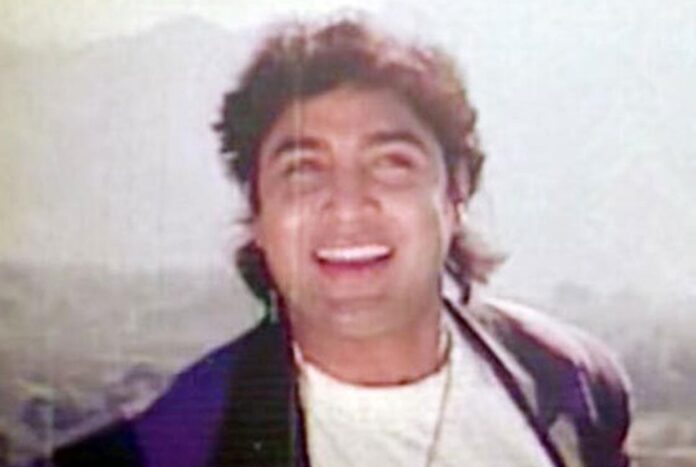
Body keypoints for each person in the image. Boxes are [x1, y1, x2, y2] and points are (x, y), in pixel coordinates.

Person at [41, 17, 631, 467]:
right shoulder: (167, 449)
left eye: (391, 163)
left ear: (456, 194)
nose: (347, 205)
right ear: (258, 213)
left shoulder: (571, 382)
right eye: (303, 169)